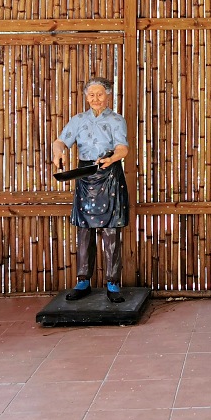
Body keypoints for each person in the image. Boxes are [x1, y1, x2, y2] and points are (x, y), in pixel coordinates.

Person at [51, 76, 130, 303]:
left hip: (109, 173)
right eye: (91, 95)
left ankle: (113, 283)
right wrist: (59, 152)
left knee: (111, 230)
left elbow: (122, 148)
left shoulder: (116, 120)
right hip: (85, 175)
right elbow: (60, 142)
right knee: (84, 229)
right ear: (86, 97)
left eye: (100, 94)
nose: (95, 99)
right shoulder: (78, 120)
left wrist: (113, 158)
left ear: (108, 96)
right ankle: (83, 280)